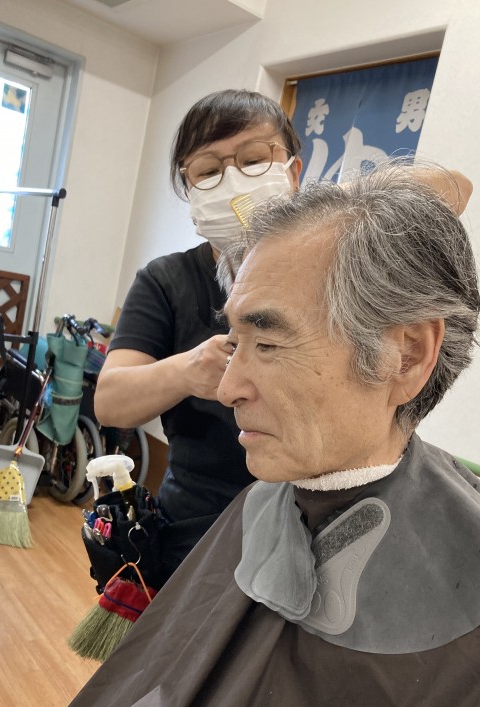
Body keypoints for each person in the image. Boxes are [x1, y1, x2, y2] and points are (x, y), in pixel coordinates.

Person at [0, 163, 480, 707]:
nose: (227, 388)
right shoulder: (261, 505)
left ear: (407, 355)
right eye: (235, 342)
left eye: (269, 345)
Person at [94, 89, 303, 580]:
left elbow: (451, 189)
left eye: (254, 160)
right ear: (190, 190)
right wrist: (189, 370)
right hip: (195, 529)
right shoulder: (167, 281)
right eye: (208, 171)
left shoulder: (327, 270)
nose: (232, 181)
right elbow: (109, 402)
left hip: (306, 524)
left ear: (293, 173)